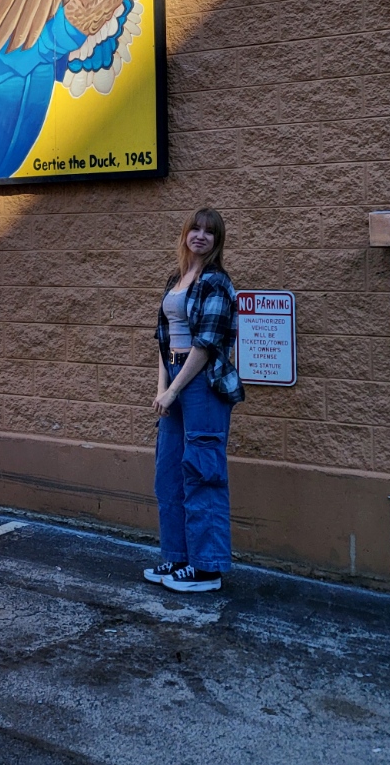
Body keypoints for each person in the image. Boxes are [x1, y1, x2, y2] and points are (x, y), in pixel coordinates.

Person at [144, 207, 241, 593]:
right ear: (185, 234)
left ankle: (207, 569)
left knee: (203, 471)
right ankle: (178, 557)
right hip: (174, 376)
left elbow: (206, 345)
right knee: (168, 472)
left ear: (217, 240)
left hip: (202, 383)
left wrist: (174, 390)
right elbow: (164, 339)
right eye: (195, 229)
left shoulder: (216, 282)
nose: (200, 236)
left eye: (209, 231)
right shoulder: (176, 279)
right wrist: (162, 389)